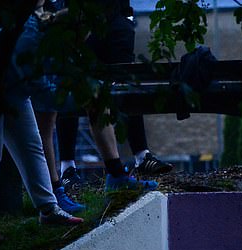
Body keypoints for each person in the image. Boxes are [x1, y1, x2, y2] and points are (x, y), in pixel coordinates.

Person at [0, 3, 84, 243]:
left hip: (13, 91)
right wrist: (81, 101)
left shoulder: (43, 37)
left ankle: (48, 208)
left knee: (31, 145)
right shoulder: (32, 39)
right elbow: (42, 90)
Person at [55, 0, 170, 192]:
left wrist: (125, 17)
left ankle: (140, 156)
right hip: (78, 19)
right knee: (73, 87)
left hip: (112, 18)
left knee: (123, 81)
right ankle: (68, 169)